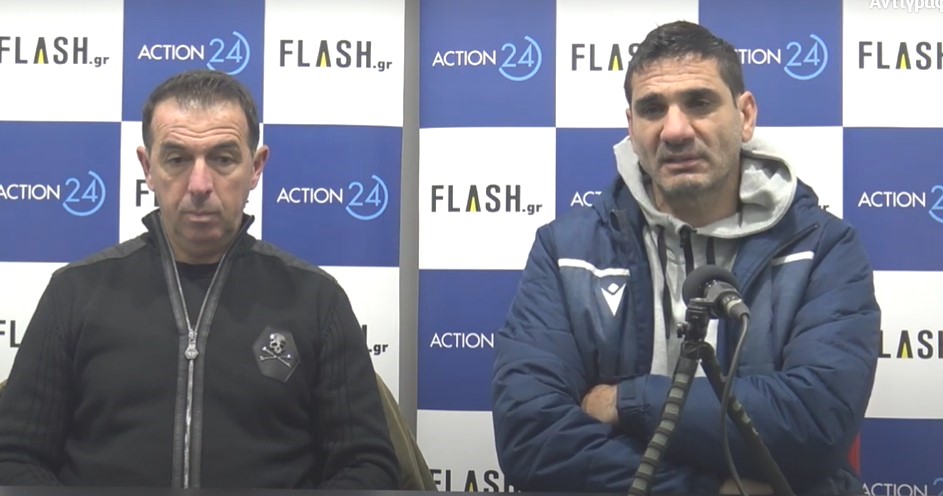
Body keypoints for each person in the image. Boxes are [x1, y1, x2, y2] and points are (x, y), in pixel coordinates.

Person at [491, 20, 879, 495]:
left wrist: (627, 402)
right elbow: (531, 439)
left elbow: (814, 427)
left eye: (699, 102)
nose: (674, 130)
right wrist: (712, 489)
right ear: (632, 128)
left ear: (745, 116)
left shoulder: (823, 249)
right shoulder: (565, 251)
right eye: (653, 109)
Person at [0, 69, 400, 489]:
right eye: (177, 159)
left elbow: (367, 467)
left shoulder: (316, 300)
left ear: (256, 167)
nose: (199, 185)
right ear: (147, 167)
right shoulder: (75, 293)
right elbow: (14, 457)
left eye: (223, 159)